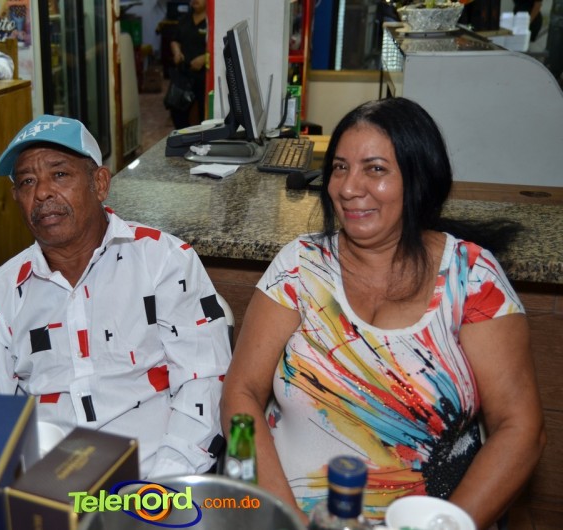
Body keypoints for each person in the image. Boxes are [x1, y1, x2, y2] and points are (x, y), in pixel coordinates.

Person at [220, 98, 546, 528]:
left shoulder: (472, 278)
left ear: (418, 178)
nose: (348, 188)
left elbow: (520, 429)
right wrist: (287, 518)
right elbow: (240, 392)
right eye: (340, 167)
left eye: (375, 169)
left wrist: (439, 526)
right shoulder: (300, 265)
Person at [0, 114, 231, 479]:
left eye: (60, 174)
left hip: (155, 472)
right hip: (47, 484)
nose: (42, 193)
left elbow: (205, 381)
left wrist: (162, 485)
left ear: (100, 183)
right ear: (16, 198)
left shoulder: (163, 261)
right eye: (27, 181)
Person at [169, 0, 207, 129]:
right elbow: (175, 40)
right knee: (177, 111)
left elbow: (218, 46)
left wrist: (204, 58)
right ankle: (183, 137)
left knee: (203, 114)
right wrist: (177, 52)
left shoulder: (211, 21)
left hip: (203, 76)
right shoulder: (185, 19)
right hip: (184, 73)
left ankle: (201, 138)